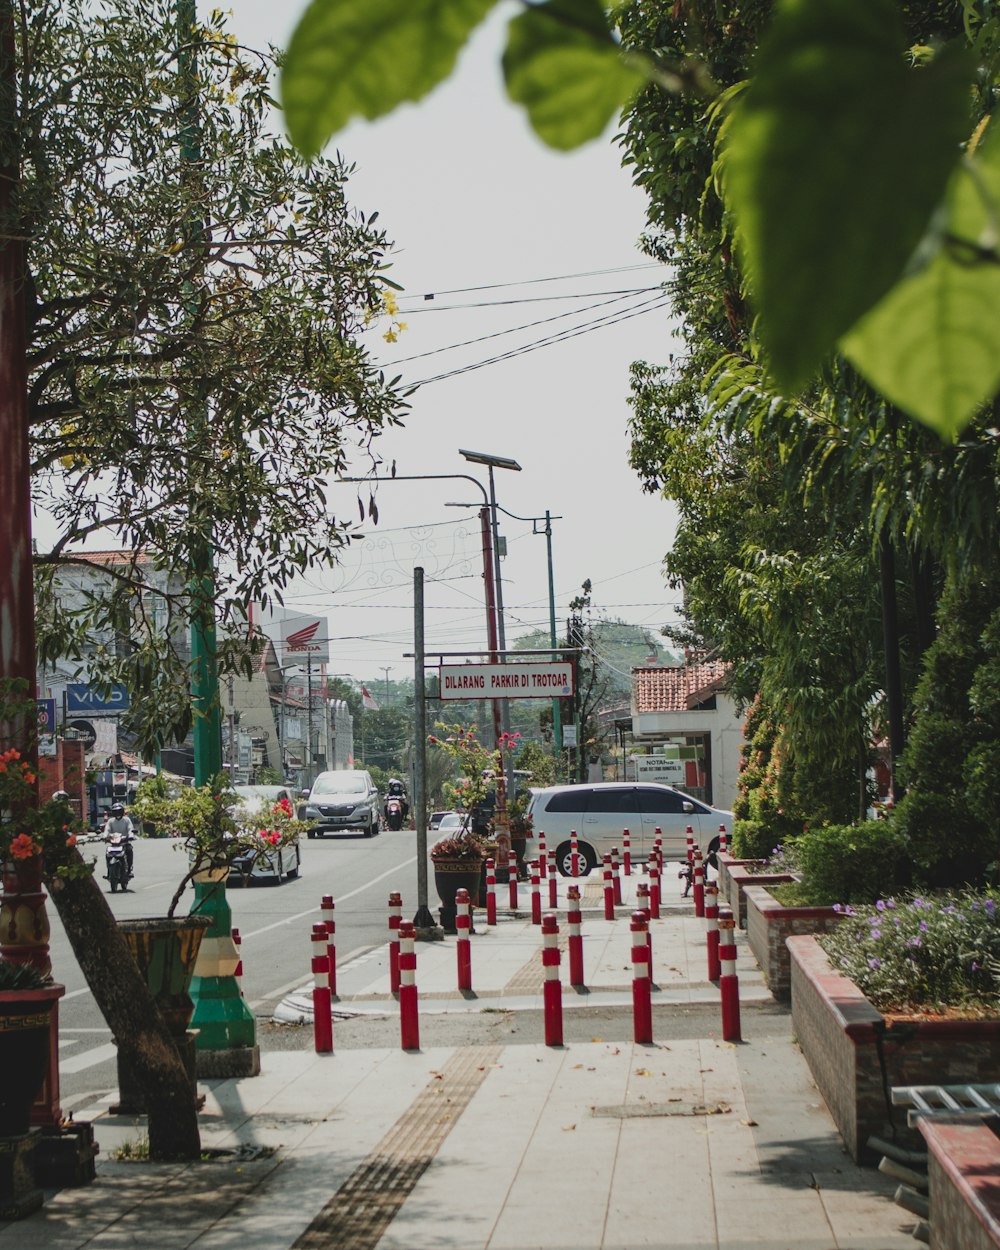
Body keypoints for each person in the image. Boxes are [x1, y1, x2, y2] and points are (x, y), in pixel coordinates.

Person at [103, 802, 135, 878]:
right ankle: (109, 871)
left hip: (124, 842)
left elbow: (130, 829)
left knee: (129, 850)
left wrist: (131, 835)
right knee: (108, 853)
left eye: (119, 811)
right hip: (114, 843)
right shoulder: (110, 821)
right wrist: (104, 836)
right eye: (115, 812)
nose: (117, 813)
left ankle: (129, 870)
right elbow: (107, 830)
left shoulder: (126, 820)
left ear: (122, 812)